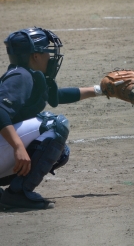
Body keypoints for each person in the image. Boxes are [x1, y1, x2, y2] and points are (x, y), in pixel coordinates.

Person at [0, 28, 104, 209]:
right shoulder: (21, 77)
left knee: (59, 151)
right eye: (46, 52)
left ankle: (15, 192)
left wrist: (100, 90)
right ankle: (17, 195)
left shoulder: (26, 74)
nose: (51, 56)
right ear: (35, 56)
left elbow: (57, 96)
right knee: (54, 125)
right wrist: (18, 147)